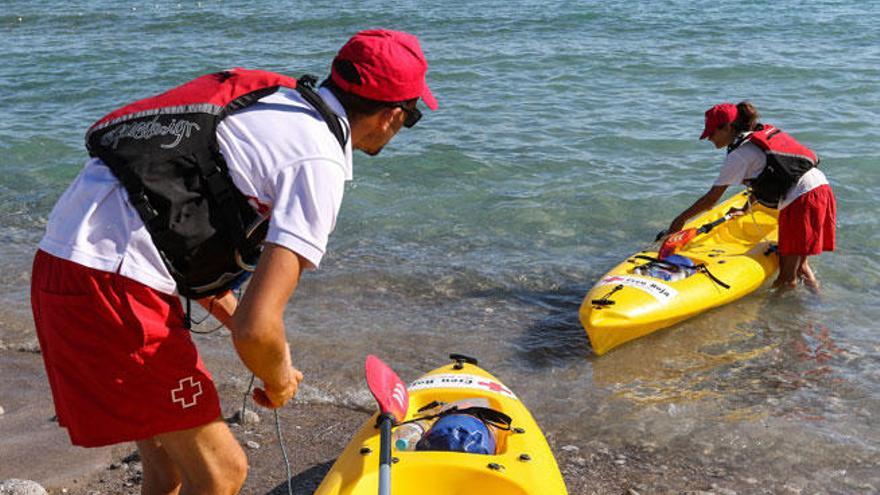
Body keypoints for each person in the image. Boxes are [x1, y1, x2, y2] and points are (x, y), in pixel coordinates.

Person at [30, 29, 437, 495]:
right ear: (392, 116)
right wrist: (277, 376)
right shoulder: (319, 159)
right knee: (222, 472)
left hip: (67, 265)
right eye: (411, 118)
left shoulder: (269, 102)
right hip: (114, 286)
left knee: (168, 471)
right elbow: (257, 329)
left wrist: (273, 357)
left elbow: (182, 241)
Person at [665, 101, 836, 291]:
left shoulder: (739, 155)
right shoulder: (753, 140)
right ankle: (817, 303)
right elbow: (774, 176)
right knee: (800, 266)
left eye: (712, 133)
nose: (709, 138)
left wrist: (679, 220)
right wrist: (746, 207)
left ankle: (776, 318)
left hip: (801, 200)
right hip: (819, 190)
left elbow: (711, 199)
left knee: (786, 279)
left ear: (728, 128)